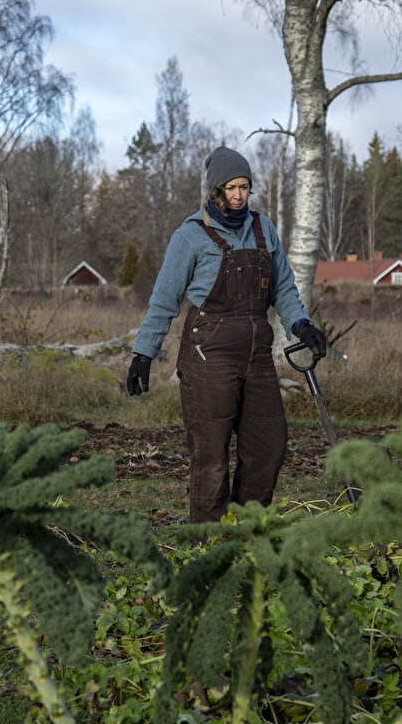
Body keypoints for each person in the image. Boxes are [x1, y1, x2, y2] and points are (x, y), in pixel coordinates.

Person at [126, 145, 327, 523]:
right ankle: (207, 541)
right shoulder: (190, 236)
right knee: (211, 454)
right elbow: (164, 301)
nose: (238, 196)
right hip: (208, 356)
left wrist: (301, 324)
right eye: (230, 188)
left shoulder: (263, 228)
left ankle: (246, 525)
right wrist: (143, 354)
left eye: (244, 187)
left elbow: (283, 288)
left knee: (269, 445)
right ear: (215, 190)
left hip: (257, 354)